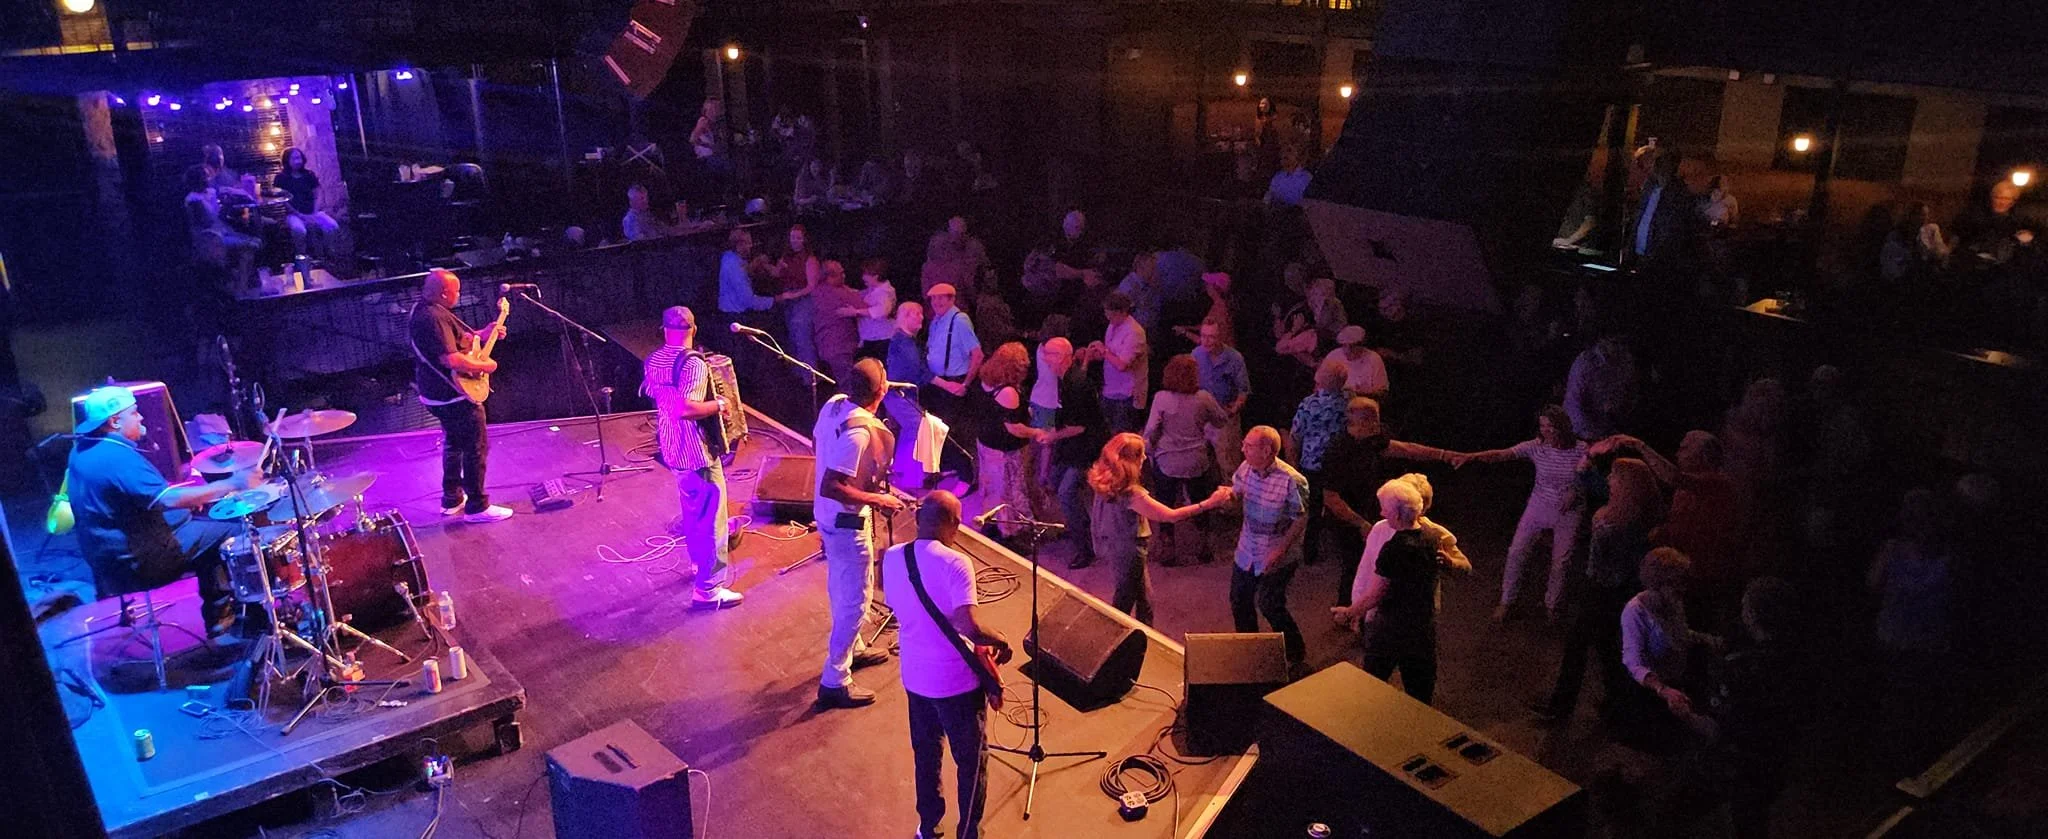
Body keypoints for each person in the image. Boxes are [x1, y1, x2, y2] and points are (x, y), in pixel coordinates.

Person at [67, 386, 259, 636]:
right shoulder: (117, 458)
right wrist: (234, 483)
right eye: (134, 413)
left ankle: (220, 614)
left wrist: (190, 500)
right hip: (139, 564)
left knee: (201, 525)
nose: (141, 418)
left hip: (106, 562)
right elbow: (168, 500)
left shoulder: (82, 449)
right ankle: (248, 618)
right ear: (115, 421)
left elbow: (130, 500)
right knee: (235, 532)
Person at [880, 491, 1012, 839]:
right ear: (952, 523)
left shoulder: (893, 557)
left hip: (915, 678)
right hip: (956, 683)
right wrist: (1001, 640)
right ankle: (969, 833)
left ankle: (928, 828)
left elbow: (895, 603)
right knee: (970, 763)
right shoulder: (956, 563)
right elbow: (970, 626)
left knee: (926, 755)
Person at [1534, 458, 1663, 723]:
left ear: (1626, 485)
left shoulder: (1622, 524)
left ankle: (1561, 709)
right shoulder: (1633, 513)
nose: (1609, 480)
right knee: (1607, 650)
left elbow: (1608, 568)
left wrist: (1599, 533)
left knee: (1579, 646)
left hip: (1604, 593)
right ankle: (1615, 706)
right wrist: (1587, 465)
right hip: (1613, 593)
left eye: (1614, 476)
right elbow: (1591, 482)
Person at [814, 359, 910, 710]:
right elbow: (833, 485)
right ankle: (835, 679)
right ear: (882, 391)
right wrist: (877, 497)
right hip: (845, 524)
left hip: (828, 519)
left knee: (841, 587)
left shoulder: (833, 404)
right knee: (856, 598)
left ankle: (854, 647)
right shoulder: (859, 434)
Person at [640, 306, 744, 608]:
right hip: (696, 450)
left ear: (663, 330)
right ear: (694, 330)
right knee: (713, 519)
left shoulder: (654, 358)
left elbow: (657, 395)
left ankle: (700, 564)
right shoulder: (693, 363)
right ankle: (709, 590)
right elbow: (686, 408)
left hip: (671, 446)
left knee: (693, 511)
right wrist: (721, 404)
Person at [1317, 397, 1462, 602]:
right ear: (1354, 422)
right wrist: (1361, 524)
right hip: (1347, 522)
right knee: (1356, 565)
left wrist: (1444, 455)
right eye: (1370, 419)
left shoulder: (1372, 440)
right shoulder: (1338, 452)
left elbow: (1406, 449)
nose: (1377, 423)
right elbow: (1331, 498)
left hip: (1370, 514)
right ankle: (1350, 611)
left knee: (1372, 564)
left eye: (1376, 417)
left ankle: (1363, 608)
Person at [1087, 433, 1227, 622]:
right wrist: (1209, 503)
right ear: (1129, 460)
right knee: (1123, 602)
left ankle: (1145, 634)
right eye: (1140, 455)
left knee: (1145, 598)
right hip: (1129, 551)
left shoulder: (1105, 481)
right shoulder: (1131, 493)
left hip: (1115, 546)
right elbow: (1170, 516)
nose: (1145, 458)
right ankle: (1117, 644)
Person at [1466, 406, 1588, 622]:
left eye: (1551, 426)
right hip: (1539, 504)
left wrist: (1575, 490)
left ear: (1562, 427)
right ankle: (1507, 600)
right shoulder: (1537, 447)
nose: (1547, 431)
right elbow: (1503, 454)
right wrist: (1469, 457)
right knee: (1516, 551)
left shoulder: (1580, 448)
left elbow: (1589, 473)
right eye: (1543, 426)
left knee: (1561, 561)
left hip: (1568, 510)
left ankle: (1552, 605)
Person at [409, 268, 513, 522]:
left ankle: (452, 499)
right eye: (456, 291)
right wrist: (487, 367)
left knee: (454, 443)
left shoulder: (425, 310)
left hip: (435, 392)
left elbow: (459, 341)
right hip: (452, 393)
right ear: (444, 293)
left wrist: (484, 334)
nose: (459, 294)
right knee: (476, 446)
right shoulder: (432, 317)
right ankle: (478, 507)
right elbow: (452, 359)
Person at [1330, 480, 1442, 702]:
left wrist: (1351, 611)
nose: (1381, 512)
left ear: (1398, 514)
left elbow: (1377, 593)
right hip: (1422, 624)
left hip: (1392, 626)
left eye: (1385, 508)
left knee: (1373, 681)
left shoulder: (1394, 549)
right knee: (1419, 688)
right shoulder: (1431, 537)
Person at [1211, 426, 1310, 667]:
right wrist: (1226, 498)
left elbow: (1301, 518)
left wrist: (1280, 550)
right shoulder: (1246, 468)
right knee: (1239, 599)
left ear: (1266, 451)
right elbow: (1236, 494)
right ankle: (1251, 650)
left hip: (1277, 554)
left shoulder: (1292, 480)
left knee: (1270, 604)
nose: (1242, 448)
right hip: (1247, 549)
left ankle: (1295, 654)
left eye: (1248, 445)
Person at [1621, 548, 1723, 732]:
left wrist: (1706, 639)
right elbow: (1633, 662)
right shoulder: (1635, 610)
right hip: (1650, 694)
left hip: (1675, 685)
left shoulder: (1674, 602)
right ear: (1658, 583)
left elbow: (1678, 634)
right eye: (1678, 584)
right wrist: (1662, 689)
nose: (1683, 589)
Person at [1142, 355, 1226, 565]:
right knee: (1201, 501)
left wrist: (1148, 450)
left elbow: (1152, 429)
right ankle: (1204, 544)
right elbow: (1221, 420)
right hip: (1196, 459)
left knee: (1165, 503)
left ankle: (1168, 545)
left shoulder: (1161, 398)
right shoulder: (1203, 397)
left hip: (1167, 459)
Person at [968, 343, 1043, 539]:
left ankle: (992, 522)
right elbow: (1014, 428)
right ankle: (1011, 532)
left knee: (991, 486)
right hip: (1004, 450)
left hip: (986, 442)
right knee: (1008, 489)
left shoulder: (986, 380)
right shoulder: (1008, 392)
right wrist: (1036, 432)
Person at [1047, 341, 1107, 568]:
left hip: (1086, 448)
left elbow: (1080, 426)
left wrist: (1052, 436)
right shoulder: (1068, 379)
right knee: (1057, 483)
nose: (1045, 358)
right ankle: (1079, 528)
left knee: (1066, 492)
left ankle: (1086, 548)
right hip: (1074, 445)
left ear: (1063, 356)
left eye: (1050, 354)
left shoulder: (1076, 383)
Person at [1286, 358, 1350, 568]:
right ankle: (1343, 547)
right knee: (1339, 503)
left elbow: (1295, 435)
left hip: (1311, 463)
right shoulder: (1348, 404)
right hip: (1338, 464)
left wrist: (1293, 461)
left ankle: (1310, 552)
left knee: (1312, 509)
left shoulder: (1309, 404)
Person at [922, 284, 981, 485]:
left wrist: (965, 383)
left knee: (955, 431)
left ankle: (968, 478)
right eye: (933, 299)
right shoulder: (936, 321)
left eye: (941, 298)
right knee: (938, 428)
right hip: (938, 384)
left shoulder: (960, 320)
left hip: (954, 383)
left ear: (951, 299)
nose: (936, 302)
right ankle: (948, 468)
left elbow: (977, 354)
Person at [1192, 319, 1250, 477]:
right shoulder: (1196, 354)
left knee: (1228, 465)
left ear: (1221, 337)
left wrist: (1234, 409)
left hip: (1225, 418)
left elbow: (1243, 390)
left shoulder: (1235, 358)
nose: (1206, 341)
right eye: (1203, 336)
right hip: (1201, 417)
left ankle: (1231, 499)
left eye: (1211, 337)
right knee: (1199, 462)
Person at [1091, 291, 1148, 435]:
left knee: (1122, 437)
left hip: (1127, 394)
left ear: (1122, 312)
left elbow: (1122, 365)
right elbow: (1110, 355)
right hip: (1110, 390)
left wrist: (1104, 351)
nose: (1107, 317)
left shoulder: (1134, 332)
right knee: (1106, 433)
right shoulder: (1111, 326)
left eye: (1111, 314)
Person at [1562, 336, 1639, 442]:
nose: (1618, 347)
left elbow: (1630, 390)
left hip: (1611, 427)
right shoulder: (1585, 361)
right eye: (1614, 342)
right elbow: (1575, 401)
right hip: (1582, 429)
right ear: (1603, 340)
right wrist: (1588, 434)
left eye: (1621, 343)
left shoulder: (1625, 359)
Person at [273, 147, 340, 258]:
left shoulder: (309, 175)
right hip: (293, 214)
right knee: (299, 231)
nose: (298, 161)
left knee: (333, 226)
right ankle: (302, 258)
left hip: (313, 212)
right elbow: (283, 200)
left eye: (299, 157)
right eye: (294, 158)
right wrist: (300, 215)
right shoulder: (281, 178)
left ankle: (329, 254)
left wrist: (314, 212)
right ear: (287, 160)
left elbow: (318, 193)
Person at [773, 225, 822, 369]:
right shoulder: (786, 256)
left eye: (798, 238)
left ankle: (810, 376)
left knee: (803, 339)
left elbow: (811, 286)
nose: (795, 241)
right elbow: (776, 274)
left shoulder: (810, 259)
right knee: (793, 339)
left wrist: (792, 295)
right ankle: (798, 374)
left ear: (805, 240)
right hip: (789, 301)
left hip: (804, 301)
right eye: (792, 237)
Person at [811, 259, 866, 385]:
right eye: (841, 273)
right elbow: (862, 304)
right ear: (830, 277)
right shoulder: (836, 293)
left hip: (826, 344)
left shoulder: (818, 291)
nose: (844, 276)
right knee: (848, 385)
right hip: (839, 346)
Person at [922, 216, 993, 308]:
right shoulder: (938, 245)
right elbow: (928, 269)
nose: (956, 238)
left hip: (962, 299)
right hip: (938, 300)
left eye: (961, 234)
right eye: (954, 233)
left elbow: (985, 268)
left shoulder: (973, 247)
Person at [1323, 325, 1389, 399]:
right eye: (1344, 346)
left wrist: (1360, 393)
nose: (1348, 351)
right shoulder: (1333, 356)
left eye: (1352, 346)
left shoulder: (1374, 358)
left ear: (1361, 345)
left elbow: (1382, 392)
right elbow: (1320, 385)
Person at [1115, 250, 1164, 339]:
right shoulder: (1128, 286)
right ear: (1141, 267)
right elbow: (1122, 315)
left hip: (1150, 332)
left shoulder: (1152, 285)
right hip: (1133, 335)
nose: (1156, 271)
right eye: (1152, 268)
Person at [856, 258, 898, 361]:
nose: (863, 277)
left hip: (881, 338)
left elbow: (882, 311)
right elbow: (861, 294)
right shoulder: (873, 290)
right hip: (873, 338)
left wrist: (855, 311)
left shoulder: (885, 292)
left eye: (866, 274)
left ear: (876, 276)